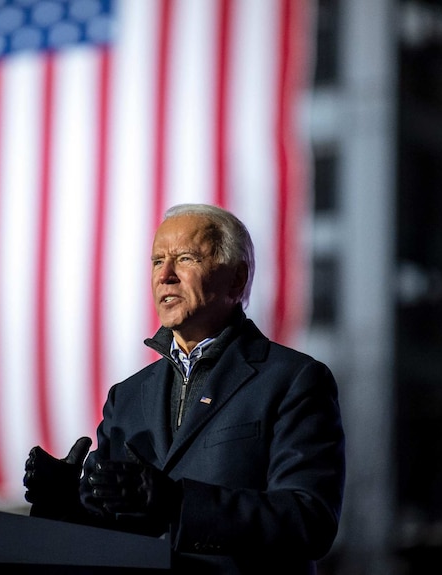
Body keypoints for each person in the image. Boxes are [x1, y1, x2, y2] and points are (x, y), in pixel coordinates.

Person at [23, 203, 345, 574]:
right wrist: (64, 505)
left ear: (237, 279)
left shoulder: (294, 380)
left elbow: (310, 521)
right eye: (157, 261)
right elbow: (107, 533)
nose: (166, 275)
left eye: (186, 258)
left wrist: (177, 504)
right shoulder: (126, 398)